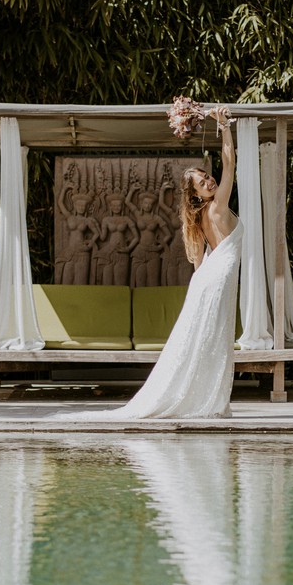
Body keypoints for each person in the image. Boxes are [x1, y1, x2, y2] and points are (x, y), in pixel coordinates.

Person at [106, 105, 242, 419]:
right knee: (213, 339)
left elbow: (201, 264)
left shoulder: (203, 215)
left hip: (209, 279)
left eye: (207, 177)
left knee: (209, 338)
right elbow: (230, 163)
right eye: (203, 182)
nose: (210, 181)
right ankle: (208, 402)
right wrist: (224, 127)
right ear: (196, 194)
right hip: (217, 279)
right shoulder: (217, 208)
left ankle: (207, 399)